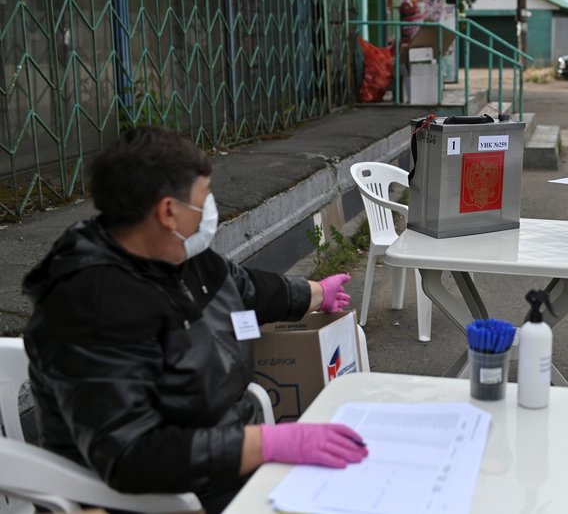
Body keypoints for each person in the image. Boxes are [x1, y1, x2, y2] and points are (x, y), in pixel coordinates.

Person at [23, 126, 368, 512]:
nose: (209, 212)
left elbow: (239, 286)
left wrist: (314, 293)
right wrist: (270, 443)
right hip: (150, 496)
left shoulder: (171, 253)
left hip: (219, 454)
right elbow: (132, 455)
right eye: (203, 199)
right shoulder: (91, 307)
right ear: (168, 211)